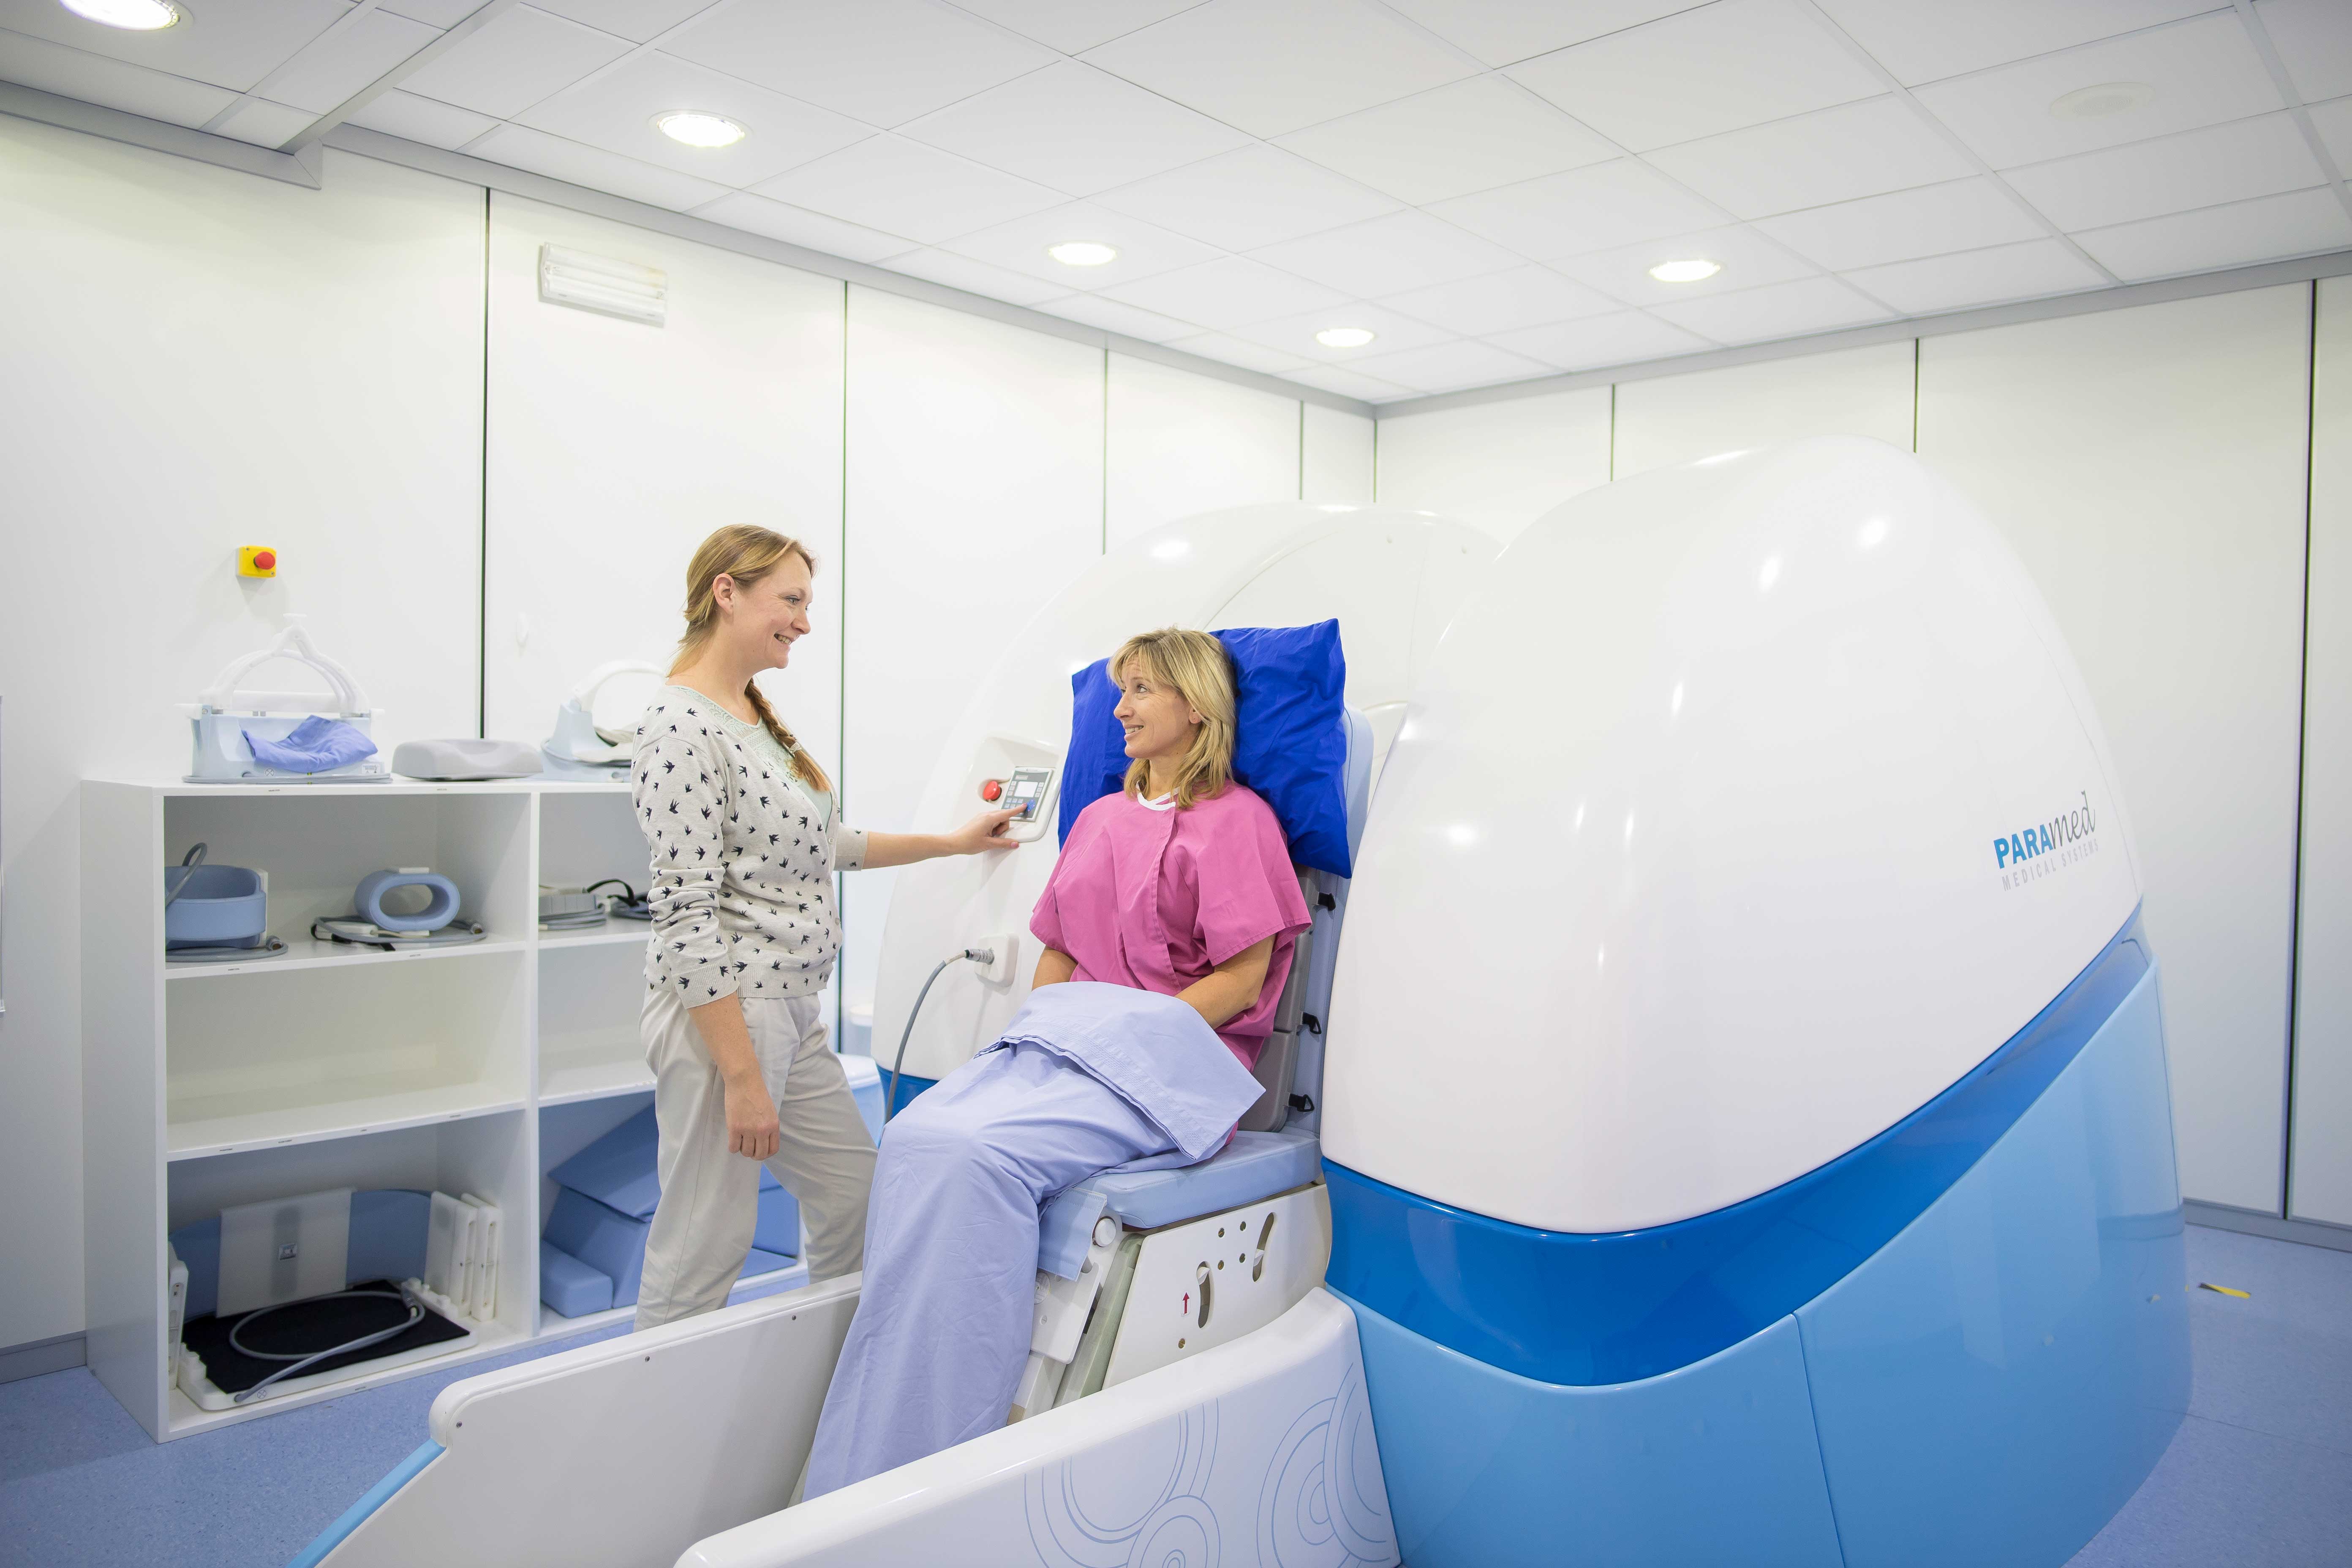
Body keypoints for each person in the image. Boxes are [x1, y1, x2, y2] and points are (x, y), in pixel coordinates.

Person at [804, 627, 1312, 1496]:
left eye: (1142, 689)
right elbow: (1059, 950)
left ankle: (943, 1458)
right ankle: (875, 1428)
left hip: (1172, 1063)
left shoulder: (1240, 822)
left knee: (981, 1155)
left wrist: (1129, 1035)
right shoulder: (1103, 819)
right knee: (923, 1128)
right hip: (1069, 1042)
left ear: (1196, 705)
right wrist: (1048, 1027)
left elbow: (1243, 976)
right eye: (1120, 690)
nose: (1119, 707)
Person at [631, 524, 1017, 1330]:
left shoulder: (750, 717)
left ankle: (829, 1393)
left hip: (793, 1015)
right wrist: (740, 1077)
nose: (806, 622)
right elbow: (686, 916)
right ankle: (653, 1431)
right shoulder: (679, 727)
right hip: (728, 1018)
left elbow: (825, 844)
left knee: (854, 1201)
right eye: (792, 601)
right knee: (704, 1244)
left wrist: (952, 841)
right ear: (725, 593)